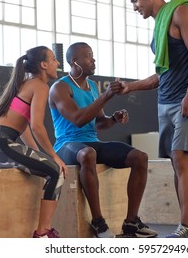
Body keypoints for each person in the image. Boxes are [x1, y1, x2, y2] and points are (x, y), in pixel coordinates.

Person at [124, 0, 188, 238]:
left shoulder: (180, 12)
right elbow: (161, 75)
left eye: (135, 0)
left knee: (181, 157)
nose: (135, 6)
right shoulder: (159, 27)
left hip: (187, 99)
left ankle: (186, 226)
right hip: (166, 101)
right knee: (176, 161)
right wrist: (130, 87)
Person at [48, 42, 158, 238]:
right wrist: (107, 96)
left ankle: (131, 223)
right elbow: (78, 119)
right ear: (75, 62)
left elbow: (99, 124)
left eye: (92, 55)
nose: (93, 59)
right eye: (88, 56)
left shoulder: (91, 87)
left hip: (91, 141)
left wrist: (113, 119)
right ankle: (98, 222)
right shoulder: (60, 88)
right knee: (87, 154)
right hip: (66, 145)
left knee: (140, 157)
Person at [0, 46, 67, 238]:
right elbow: (37, 127)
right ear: (43, 65)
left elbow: (24, 126)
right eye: (53, 59)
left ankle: (43, 231)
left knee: (48, 167)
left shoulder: (26, 83)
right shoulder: (40, 86)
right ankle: (43, 232)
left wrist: (39, 154)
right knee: (56, 172)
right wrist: (54, 156)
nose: (57, 63)